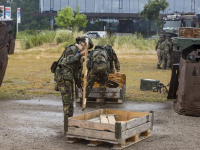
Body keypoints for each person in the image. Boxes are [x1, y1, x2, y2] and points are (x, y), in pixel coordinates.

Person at [54, 36, 93, 135]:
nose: (87, 50)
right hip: (63, 77)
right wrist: (80, 54)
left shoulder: (80, 56)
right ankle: (67, 129)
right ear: (83, 44)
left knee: (71, 102)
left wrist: (80, 87)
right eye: (87, 47)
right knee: (68, 103)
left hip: (69, 78)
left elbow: (76, 73)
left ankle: (69, 126)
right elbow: (69, 60)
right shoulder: (71, 48)